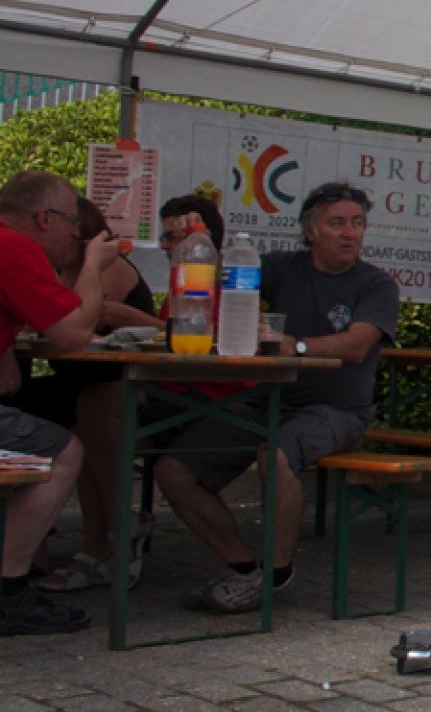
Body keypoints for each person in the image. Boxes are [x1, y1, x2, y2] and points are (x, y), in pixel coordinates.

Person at [158, 182, 399, 613]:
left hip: (336, 410)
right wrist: (198, 240)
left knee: (277, 457)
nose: (349, 233)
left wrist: (296, 345)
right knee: (174, 471)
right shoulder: (283, 266)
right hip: (266, 399)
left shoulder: (376, 284)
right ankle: (244, 570)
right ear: (310, 231)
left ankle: (276, 574)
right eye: (337, 223)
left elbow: (357, 345)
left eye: (357, 223)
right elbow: (218, 278)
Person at [21, 198, 159, 593]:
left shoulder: (103, 267)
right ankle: (78, 541)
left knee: (86, 414)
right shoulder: (62, 269)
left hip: (132, 383)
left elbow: (72, 322)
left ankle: (112, 531)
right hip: (84, 383)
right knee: (32, 406)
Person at [0, 171, 118, 635]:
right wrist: (93, 266)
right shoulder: (16, 247)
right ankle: (9, 591)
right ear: (44, 218)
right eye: (72, 221)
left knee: (46, 411)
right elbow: (72, 334)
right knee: (62, 450)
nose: (75, 233)